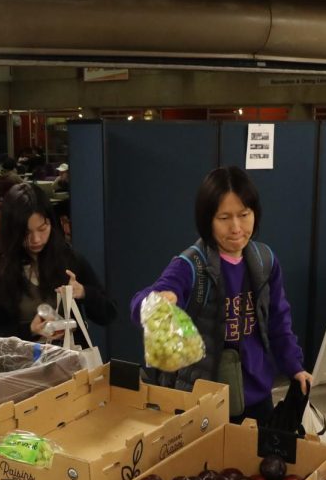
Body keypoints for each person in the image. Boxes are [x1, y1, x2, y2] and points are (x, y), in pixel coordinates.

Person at [130, 166, 311, 424]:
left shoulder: (264, 260)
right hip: (204, 396)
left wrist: (295, 366)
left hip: (258, 393)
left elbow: (278, 321)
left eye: (244, 214)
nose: (236, 227)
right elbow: (142, 301)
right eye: (224, 217)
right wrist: (159, 301)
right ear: (207, 220)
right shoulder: (191, 264)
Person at [0, 182, 115, 340]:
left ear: (51, 223)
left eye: (43, 229)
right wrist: (30, 329)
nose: (36, 239)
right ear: (11, 232)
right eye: (26, 233)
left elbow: (109, 313)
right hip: (23, 362)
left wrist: (84, 292)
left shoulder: (68, 259)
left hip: (69, 359)